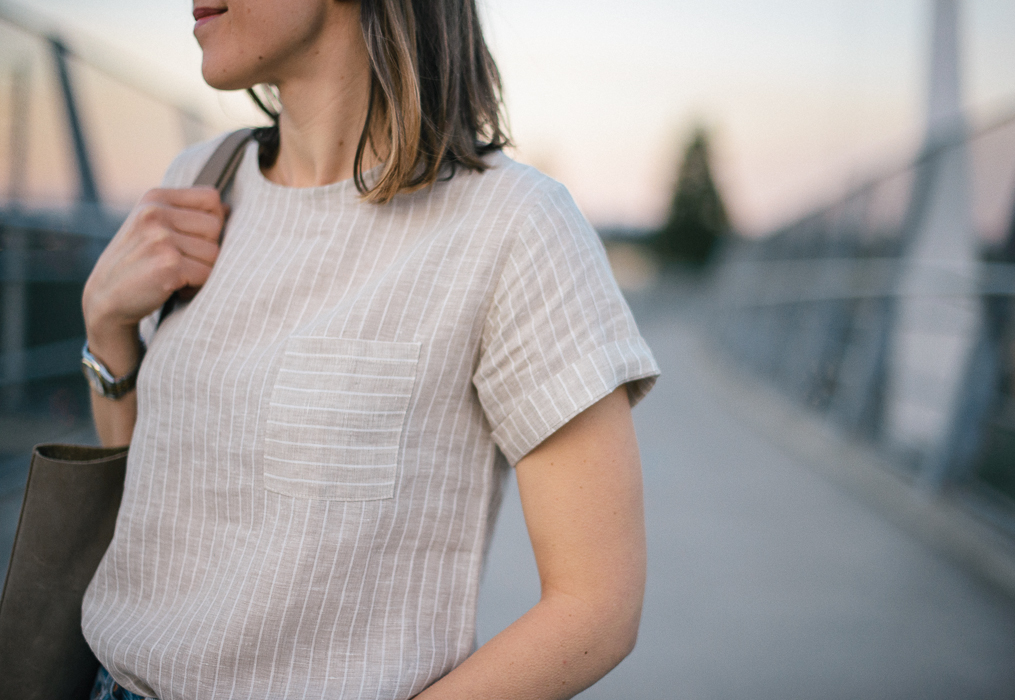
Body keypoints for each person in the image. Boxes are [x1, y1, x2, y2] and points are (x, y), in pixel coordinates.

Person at [79, 0, 659, 698]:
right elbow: (153, 505)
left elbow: (596, 607)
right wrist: (106, 327)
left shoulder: (513, 227)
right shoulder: (198, 181)